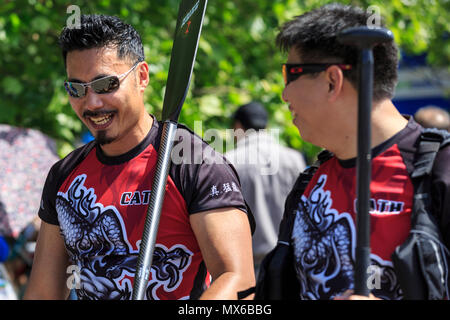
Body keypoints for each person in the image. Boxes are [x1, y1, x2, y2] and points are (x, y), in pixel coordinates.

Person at [23, 14, 255, 300]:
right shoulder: (64, 176)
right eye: (77, 89)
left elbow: (238, 281)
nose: (92, 103)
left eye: (105, 85)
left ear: (141, 76)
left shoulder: (193, 163)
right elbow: (42, 293)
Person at [274, 3, 450, 299]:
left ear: (333, 80)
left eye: (289, 74)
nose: (284, 94)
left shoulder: (440, 170)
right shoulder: (309, 183)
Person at [225, 102, 305, 276]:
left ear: (238, 126)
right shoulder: (294, 159)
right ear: (265, 126)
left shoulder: (229, 161)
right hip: (289, 261)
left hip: (248, 265)